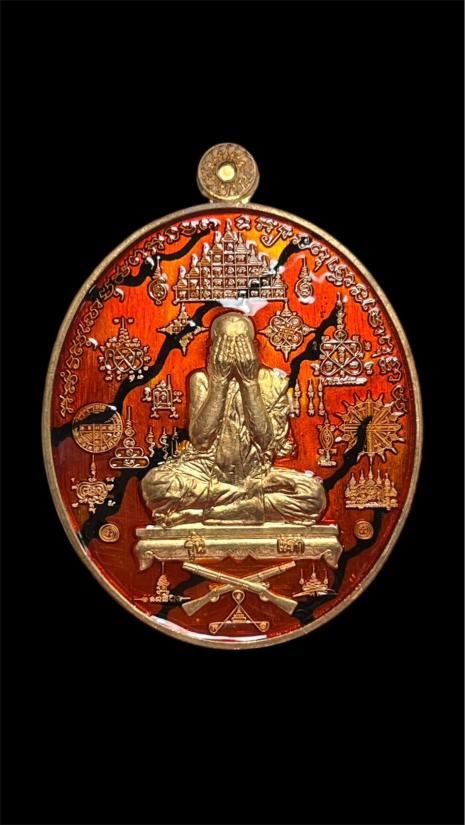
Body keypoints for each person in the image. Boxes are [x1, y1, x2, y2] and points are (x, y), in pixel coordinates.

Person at [141, 312, 326, 526]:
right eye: (225, 343)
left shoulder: (275, 382)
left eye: (240, 343)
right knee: (154, 484)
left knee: (313, 495)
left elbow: (267, 442)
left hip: (258, 475)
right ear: (212, 348)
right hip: (206, 472)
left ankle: (205, 513)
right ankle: (247, 506)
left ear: (254, 347)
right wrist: (219, 383)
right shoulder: (202, 380)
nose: (233, 352)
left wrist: (250, 384)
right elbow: (201, 440)